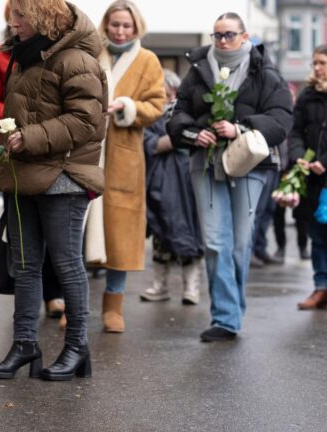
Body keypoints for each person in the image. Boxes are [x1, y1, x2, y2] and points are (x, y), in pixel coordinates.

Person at [0, 0, 106, 381]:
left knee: (67, 265)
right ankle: (24, 344)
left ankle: (76, 347)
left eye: (20, 16)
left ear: (42, 18)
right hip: (24, 173)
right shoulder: (25, 56)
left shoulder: (76, 59)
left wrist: (30, 136)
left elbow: (87, 120)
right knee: (24, 265)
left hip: (63, 177)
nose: (13, 22)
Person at [168, 13, 293, 341]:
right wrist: (195, 134)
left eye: (229, 35)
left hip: (250, 165)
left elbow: (282, 119)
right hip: (205, 163)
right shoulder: (197, 69)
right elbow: (178, 112)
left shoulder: (264, 70)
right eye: (217, 35)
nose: (223, 41)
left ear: (244, 35)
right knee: (214, 240)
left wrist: (241, 126)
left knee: (239, 243)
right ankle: (225, 316)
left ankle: (232, 309)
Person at [0, 0, 66, 326]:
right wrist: (10, 121)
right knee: (22, 234)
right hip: (12, 150)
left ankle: (53, 294)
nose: (16, 22)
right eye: (13, 15)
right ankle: (27, 310)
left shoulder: (57, 53)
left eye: (22, 15)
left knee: (56, 231)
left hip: (49, 150)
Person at [90, 0, 165, 333]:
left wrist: (128, 106)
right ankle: (74, 302)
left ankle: (113, 305)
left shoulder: (147, 60)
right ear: (105, 24)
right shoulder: (92, 53)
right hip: (88, 151)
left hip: (124, 153)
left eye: (126, 25)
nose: (120, 30)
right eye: (115, 24)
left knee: (118, 231)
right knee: (79, 229)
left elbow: (157, 104)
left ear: (136, 27)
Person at [140, 69, 204, 305]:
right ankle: (160, 286)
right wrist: (182, 137)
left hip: (185, 182)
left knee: (188, 232)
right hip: (158, 183)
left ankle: (191, 288)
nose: (165, 96)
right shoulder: (150, 115)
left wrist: (180, 137)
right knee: (160, 233)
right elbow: (151, 144)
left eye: (167, 91)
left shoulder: (188, 112)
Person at [287, 44, 327, 310]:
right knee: (318, 236)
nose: (316, 68)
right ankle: (321, 288)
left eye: (322, 63)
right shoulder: (306, 95)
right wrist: (300, 156)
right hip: (312, 179)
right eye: (314, 63)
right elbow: (295, 131)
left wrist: (325, 162)